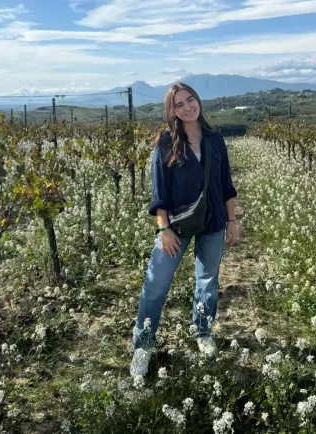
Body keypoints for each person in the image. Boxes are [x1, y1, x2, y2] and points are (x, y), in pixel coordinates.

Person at [130, 83, 238, 376]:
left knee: (207, 280)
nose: (187, 106)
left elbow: (227, 185)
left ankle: (202, 331)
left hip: (214, 221)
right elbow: (160, 194)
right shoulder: (165, 144)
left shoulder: (216, 141)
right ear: (172, 112)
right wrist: (163, 229)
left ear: (198, 101)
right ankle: (142, 345)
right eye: (179, 104)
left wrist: (232, 220)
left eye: (190, 99)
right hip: (176, 226)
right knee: (156, 284)